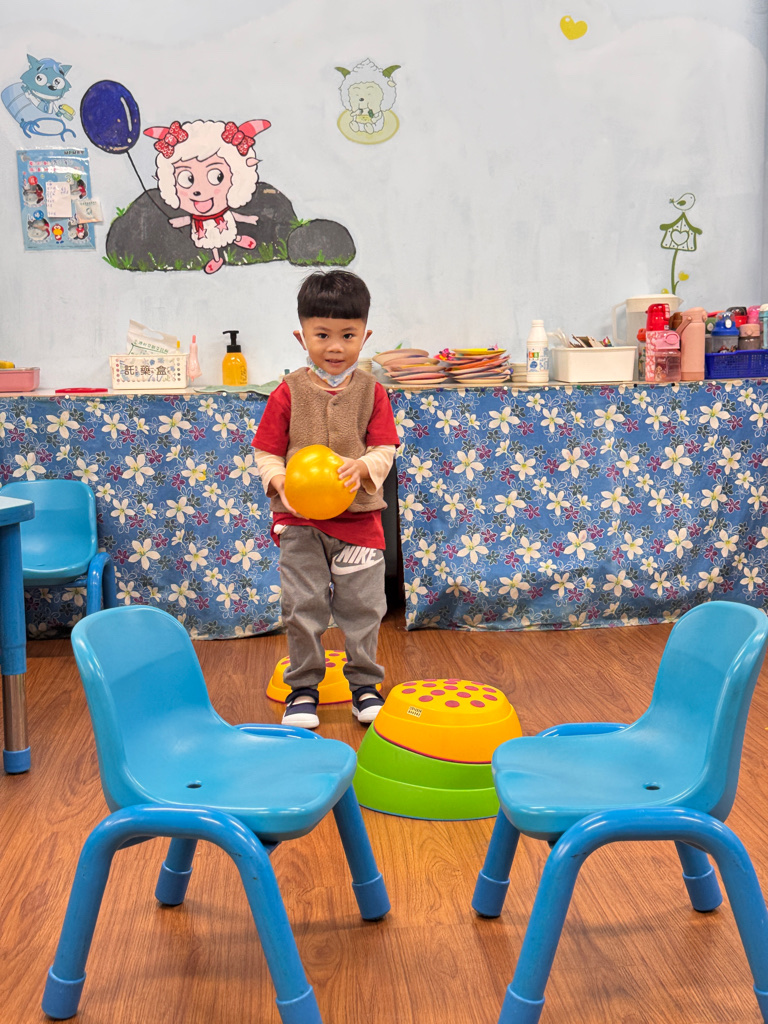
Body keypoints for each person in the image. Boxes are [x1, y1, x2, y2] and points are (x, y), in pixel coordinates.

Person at [252, 271, 400, 729]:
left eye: (348, 335)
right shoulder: (287, 392)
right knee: (303, 607)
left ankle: (365, 687)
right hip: (300, 523)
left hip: (359, 522)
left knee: (364, 608)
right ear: (302, 336)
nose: (335, 347)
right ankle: (302, 690)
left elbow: (385, 448)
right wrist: (280, 482)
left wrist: (364, 467)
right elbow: (266, 451)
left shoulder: (373, 392)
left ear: (365, 336)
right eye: (322, 335)